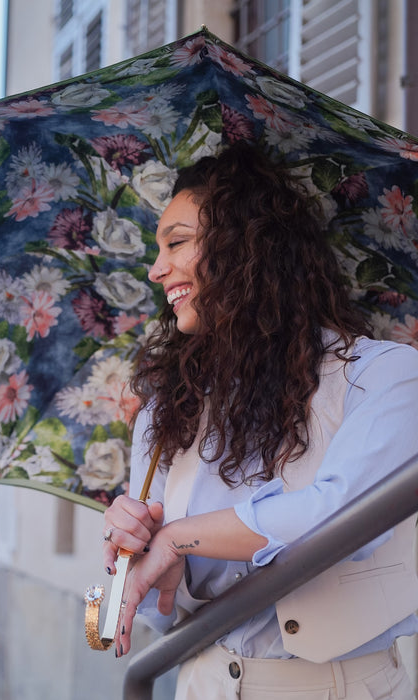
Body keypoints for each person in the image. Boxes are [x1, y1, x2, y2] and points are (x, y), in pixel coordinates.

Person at [102, 143, 418, 699]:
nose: (155, 270)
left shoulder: (386, 376)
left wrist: (179, 537)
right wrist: (137, 551)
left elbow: (340, 519)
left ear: (248, 247)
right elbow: (159, 614)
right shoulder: (167, 409)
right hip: (201, 682)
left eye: (176, 242)